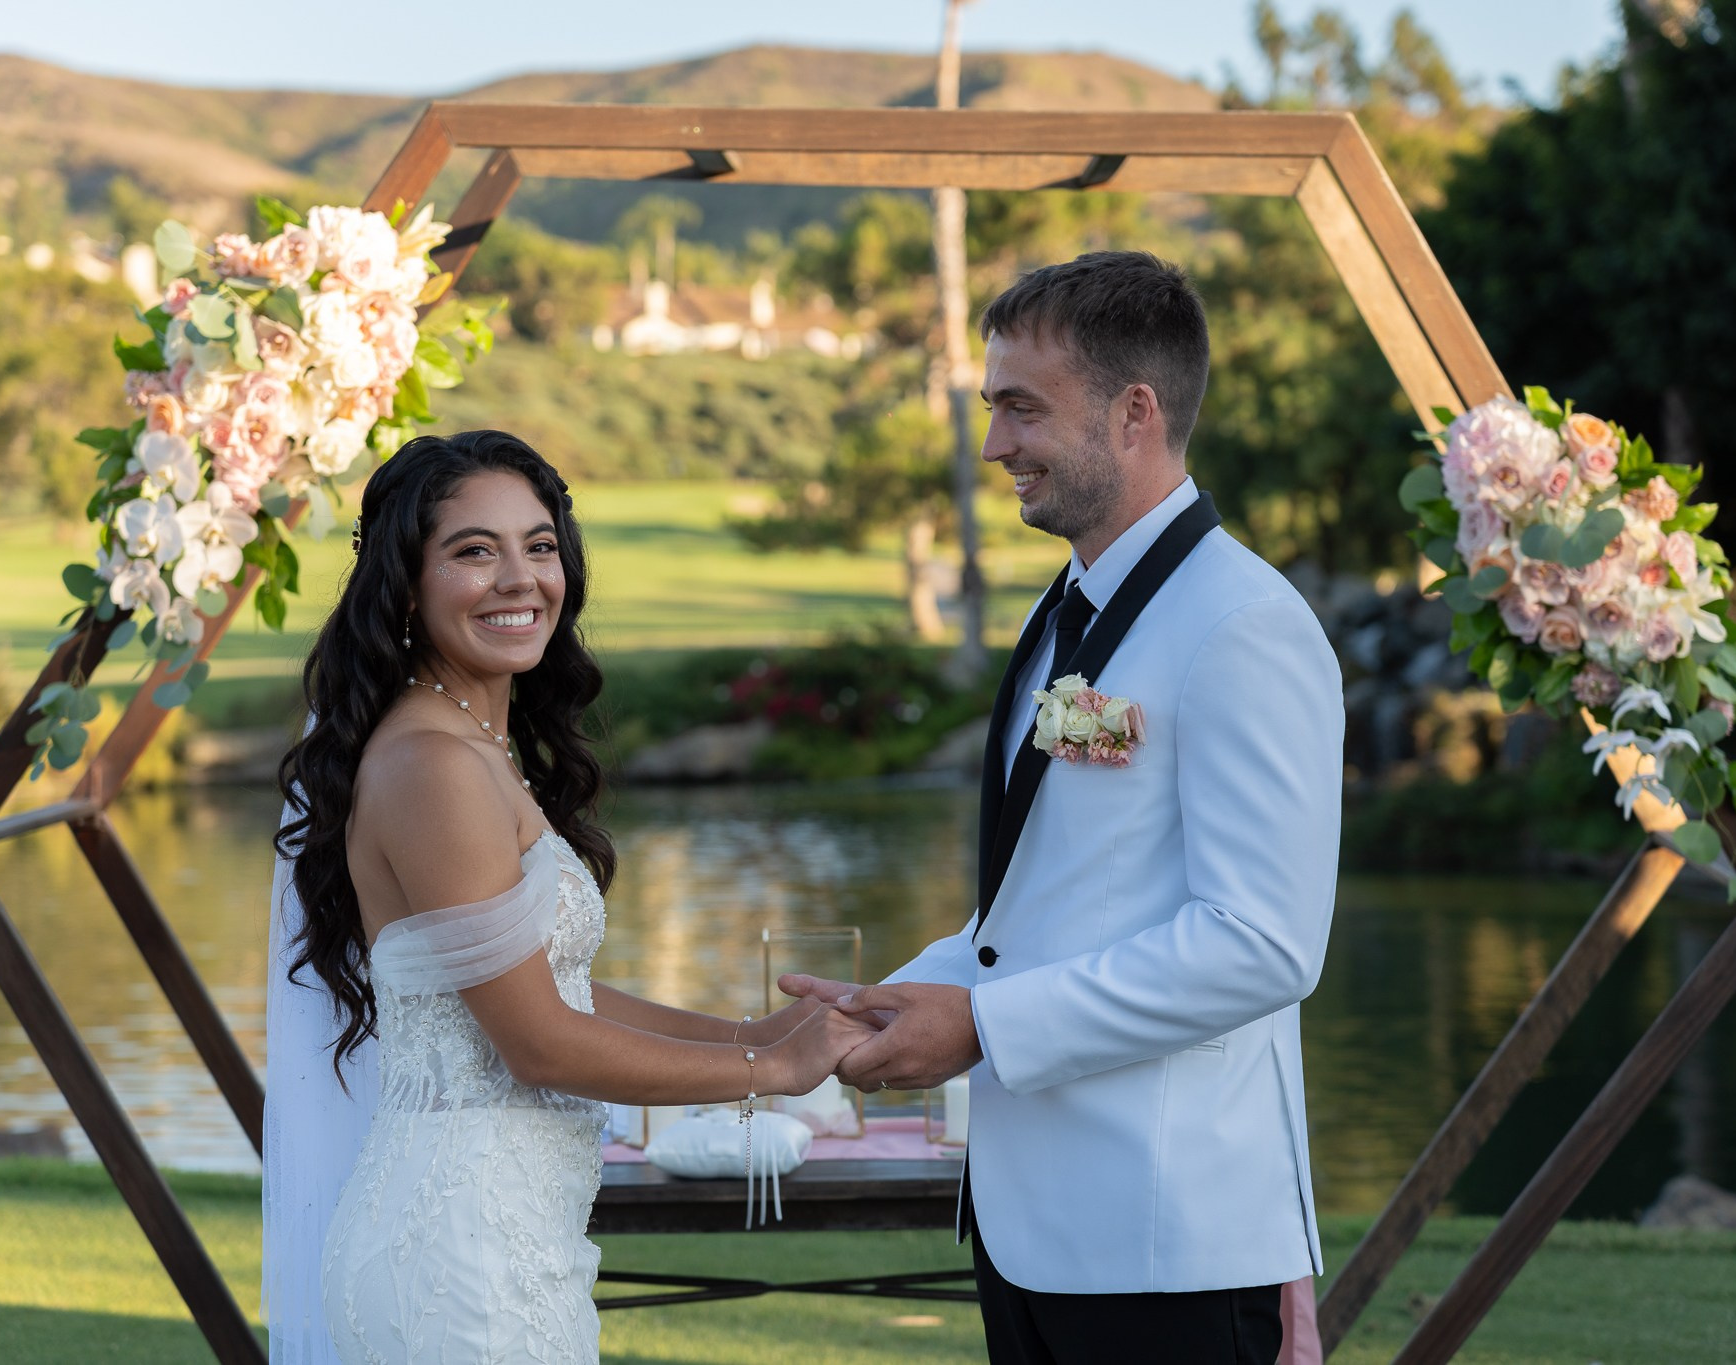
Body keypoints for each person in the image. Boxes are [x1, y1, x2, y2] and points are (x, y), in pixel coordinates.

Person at [783, 251, 1344, 1365]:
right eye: (993, 409)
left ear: (1133, 413)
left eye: (1020, 410)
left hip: (1163, 1239)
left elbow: (1262, 946)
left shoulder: (1242, 625)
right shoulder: (1066, 609)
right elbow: (1054, 897)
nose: (994, 445)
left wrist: (982, 1028)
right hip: (1033, 1229)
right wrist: (906, 996)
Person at [265, 429, 870, 1364]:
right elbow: (538, 1041)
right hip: (458, 1256)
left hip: (508, 1238)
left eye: (539, 546)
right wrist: (773, 1074)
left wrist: (753, 1033)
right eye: (474, 551)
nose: (520, 579)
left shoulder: (475, 746)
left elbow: (552, 991)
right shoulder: (432, 764)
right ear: (404, 584)